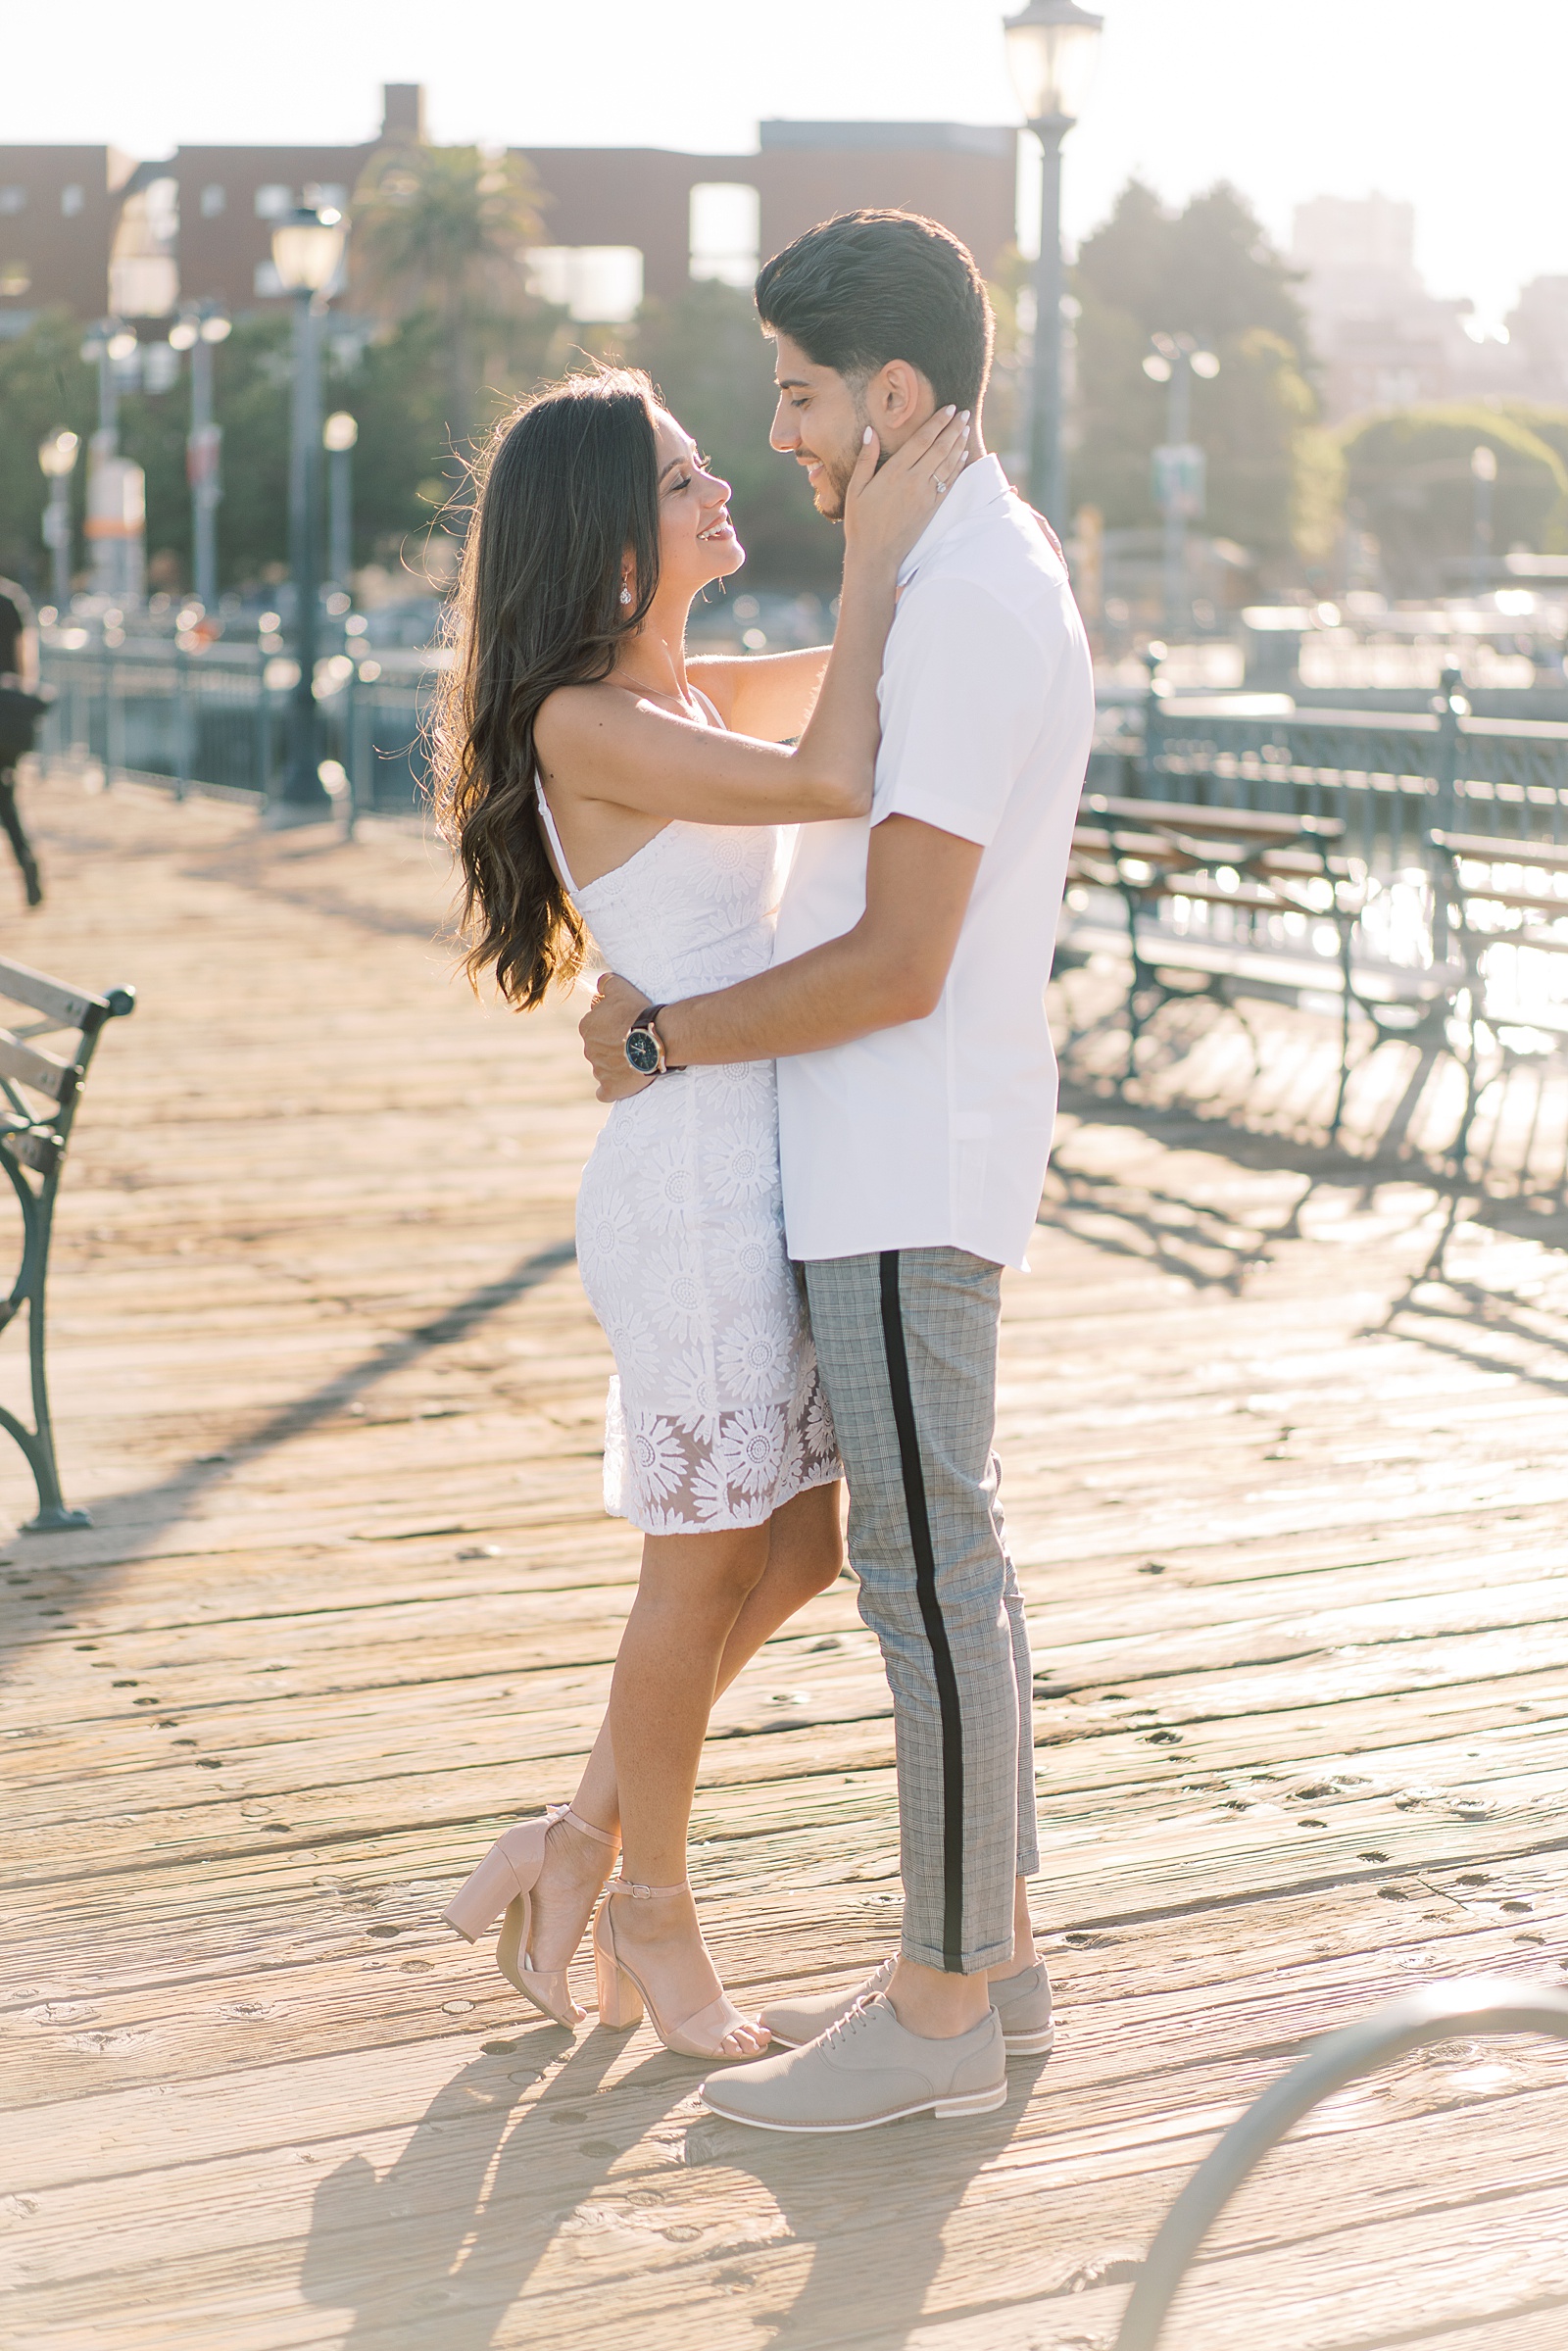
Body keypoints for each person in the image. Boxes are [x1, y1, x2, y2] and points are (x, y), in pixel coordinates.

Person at [581, 210, 1096, 2133]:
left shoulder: (960, 593)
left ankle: (938, 2005)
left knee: (921, 1570)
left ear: (887, 395)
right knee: (942, 1554)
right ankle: (1000, 1955)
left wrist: (659, 1038)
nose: (780, 435)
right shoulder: (961, 560)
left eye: (796, 398)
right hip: (897, 1139)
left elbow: (895, 955)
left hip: (899, 1138)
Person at [431, 365, 969, 2061]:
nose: (716, 479)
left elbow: (865, 698)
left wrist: (930, 557)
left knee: (798, 1538)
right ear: (604, 537)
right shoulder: (583, 715)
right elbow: (839, 774)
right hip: (690, 1182)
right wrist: (879, 541)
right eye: (677, 477)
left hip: (753, 1153)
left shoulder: (678, 688)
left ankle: (576, 1837)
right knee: (699, 1561)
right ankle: (651, 1914)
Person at [0, 577, 44, 907]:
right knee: (5, 795)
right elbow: (25, 658)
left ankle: (27, 863)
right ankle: (26, 861)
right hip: (7, 715)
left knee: (4, 798)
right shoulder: (10, 598)